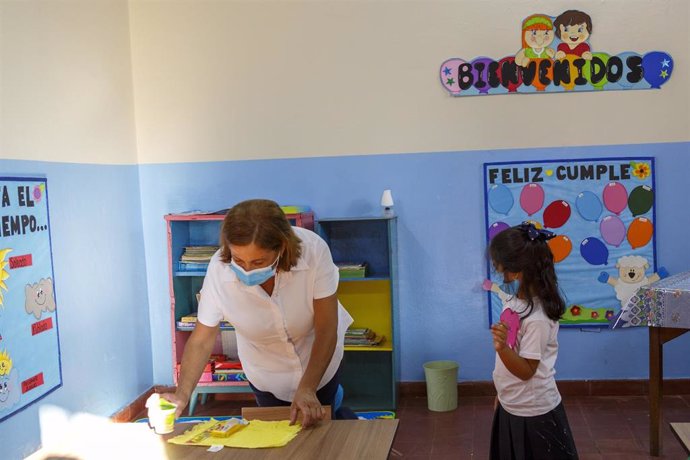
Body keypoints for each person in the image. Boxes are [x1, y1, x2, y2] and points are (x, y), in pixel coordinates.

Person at [162, 199, 355, 427]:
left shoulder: (313, 251)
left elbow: (326, 328)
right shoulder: (219, 270)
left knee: (322, 428)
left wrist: (307, 388)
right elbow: (202, 339)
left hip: (318, 361)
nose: (246, 269)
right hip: (265, 371)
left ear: (282, 248)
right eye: (239, 260)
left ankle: (340, 409)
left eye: (258, 261)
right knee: (278, 433)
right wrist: (182, 394)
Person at [488, 223, 578, 459]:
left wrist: (500, 348)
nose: (495, 267)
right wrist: (502, 394)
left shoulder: (537, 318)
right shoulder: (514, 303)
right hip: (513, 403)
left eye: (497, 263)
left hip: (534, 412)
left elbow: (527, 370)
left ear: (516, 270)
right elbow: (513, 352)